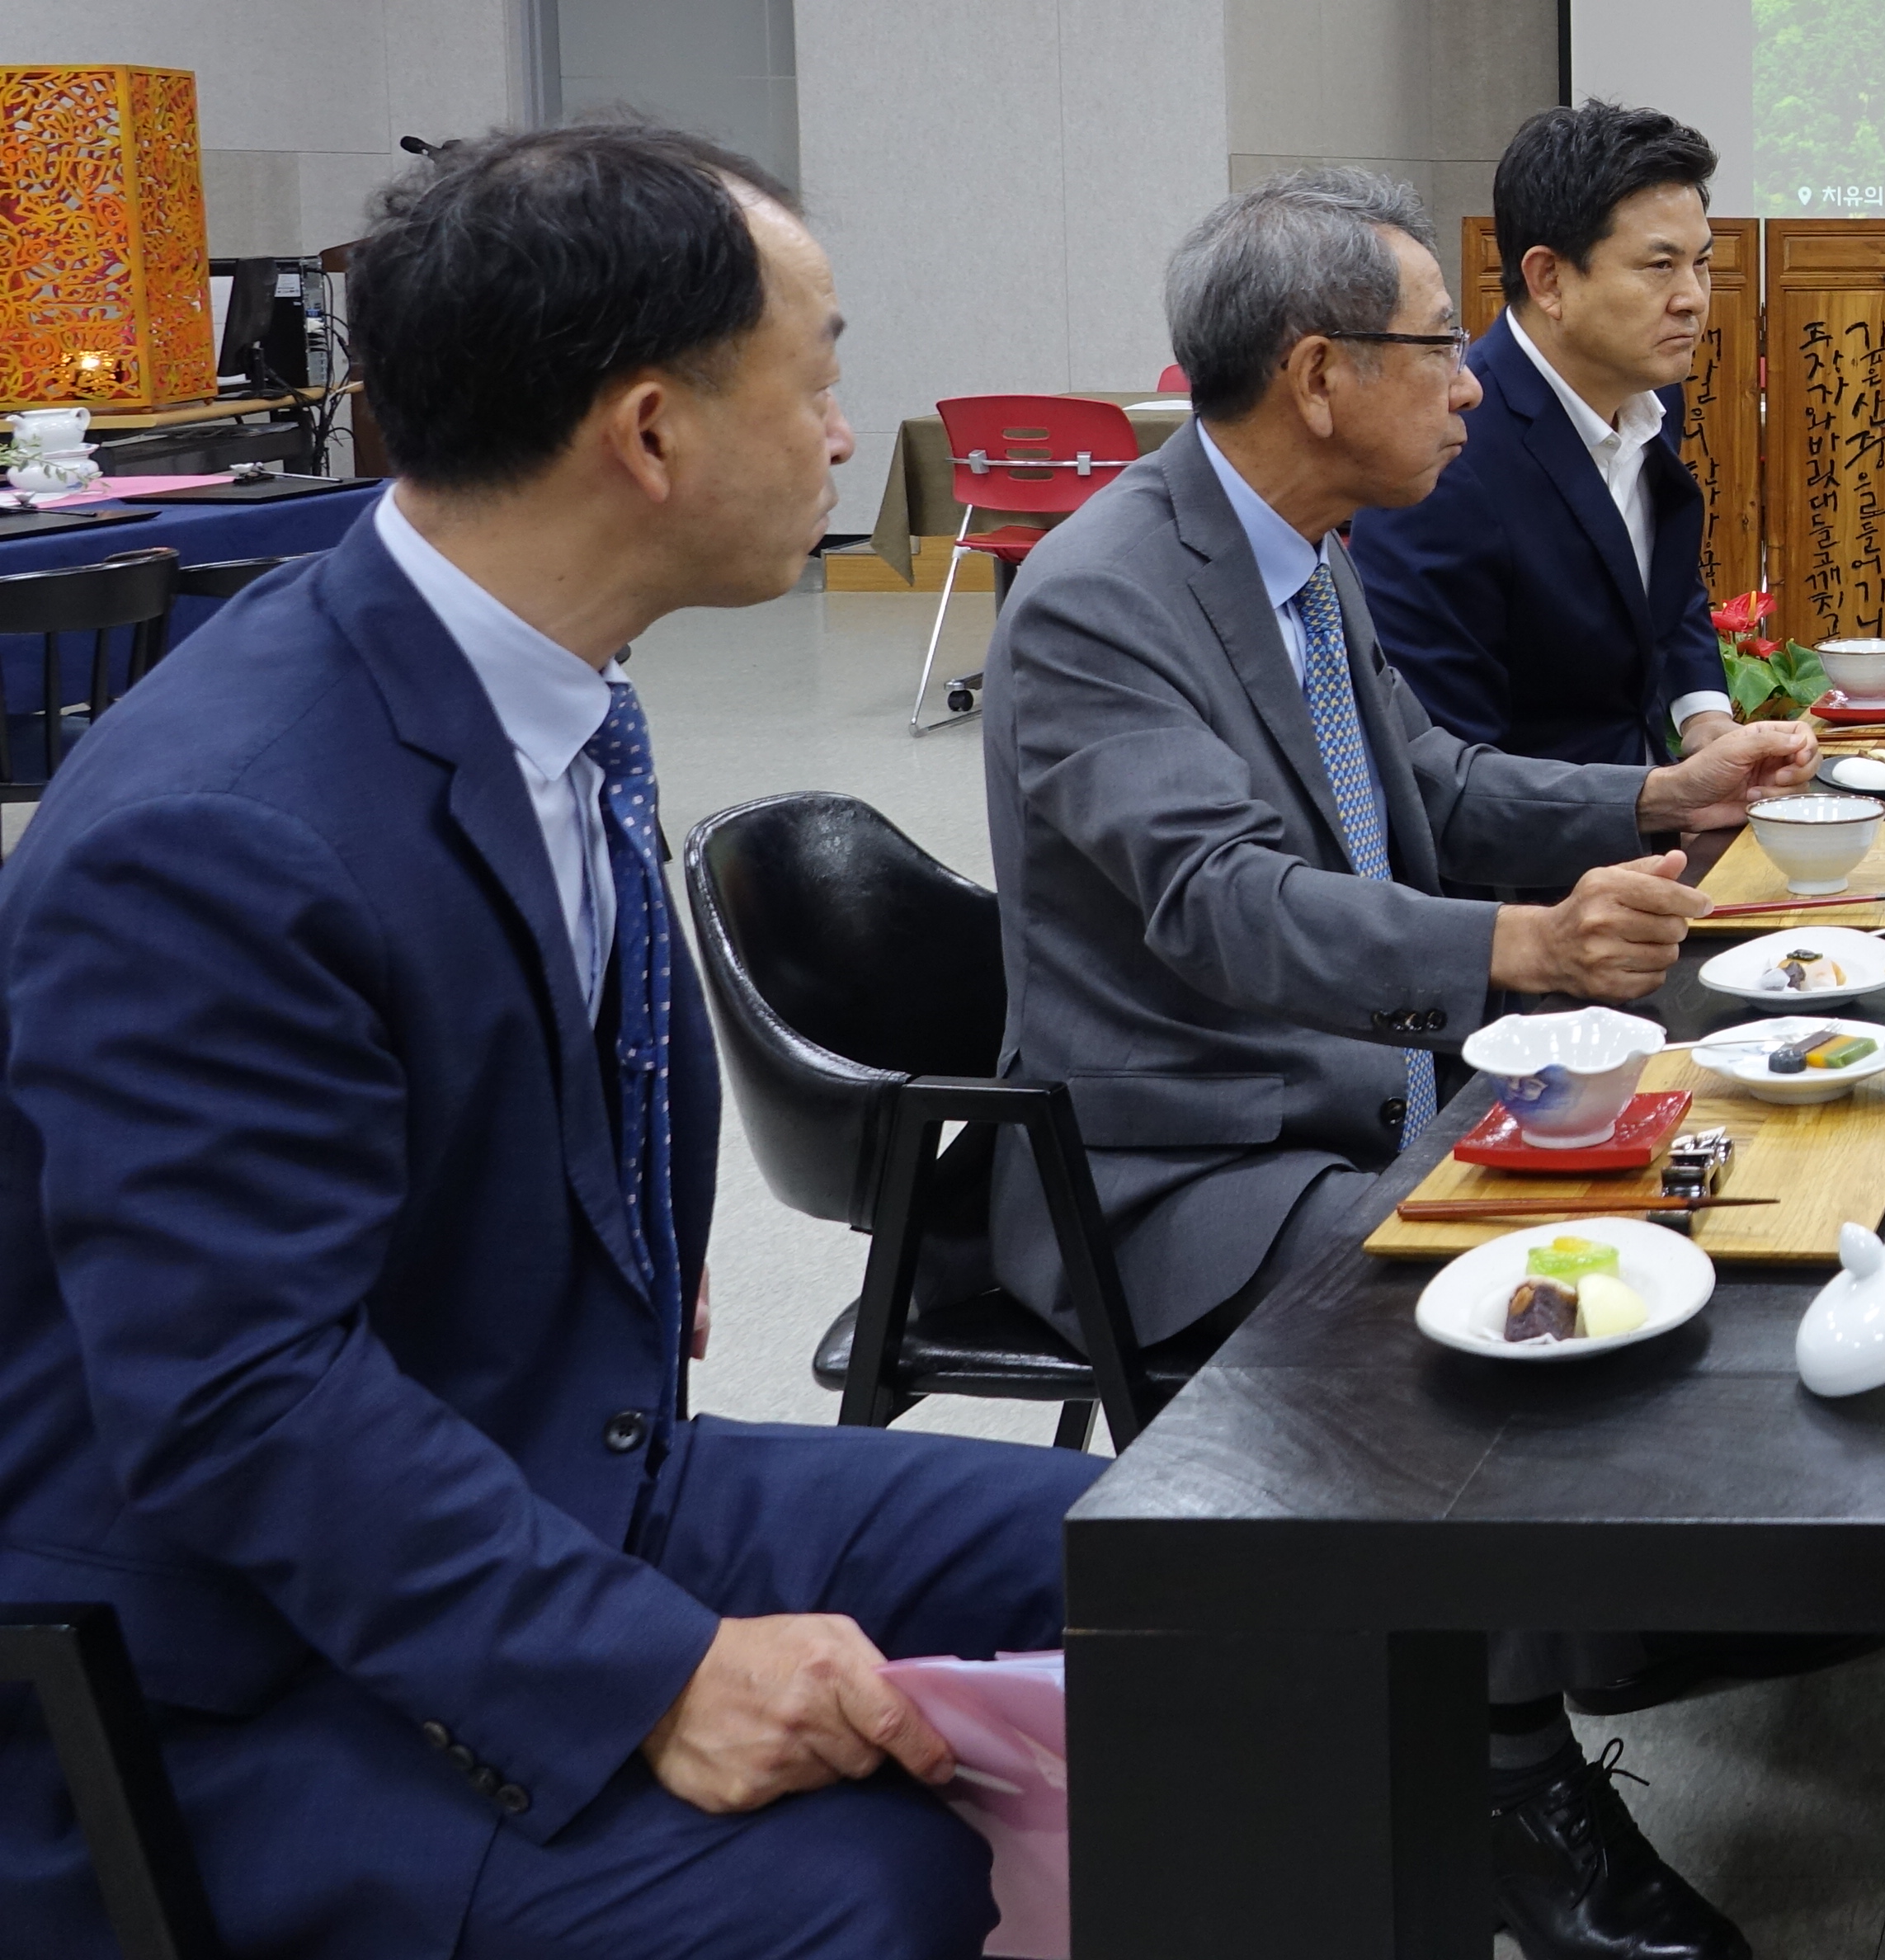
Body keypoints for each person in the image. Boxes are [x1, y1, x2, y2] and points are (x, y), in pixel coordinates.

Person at [0, 124, 1098, 1960]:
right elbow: (240, 1406)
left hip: (553, 1464)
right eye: (819, 382)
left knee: (1175, 1553)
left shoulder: (536, 680)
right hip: (231, 1664)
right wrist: (658, 1676)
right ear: (652, 434)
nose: (845, 437)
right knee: (872, 1883)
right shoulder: (228, 829)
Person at [979, 166, 1823, 1960]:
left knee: (1699, 1166)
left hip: (1361, 1087)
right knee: (1521, 1294)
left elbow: (1424, 790)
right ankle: (1511, 1775)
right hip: (1187, 1162)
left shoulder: (1298, 556)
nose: (1466, 386)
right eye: (1438, 352)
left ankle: (1601, 1611)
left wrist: (1662, 793)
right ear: (1315, 375)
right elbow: (1219, 905)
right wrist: (1517, 945)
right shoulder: (1099, 598)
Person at [1350, 101, 1739, 767]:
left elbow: (1662, 581)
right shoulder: (1446, 456)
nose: (1693, 297)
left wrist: (1706, 720)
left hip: (1654, 816)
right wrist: (1649, 807)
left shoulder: (1649, 390)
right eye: (1658, 267)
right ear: (1549, 279)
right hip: (1543, 855)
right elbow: (1444, 765)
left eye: (1700, 264)